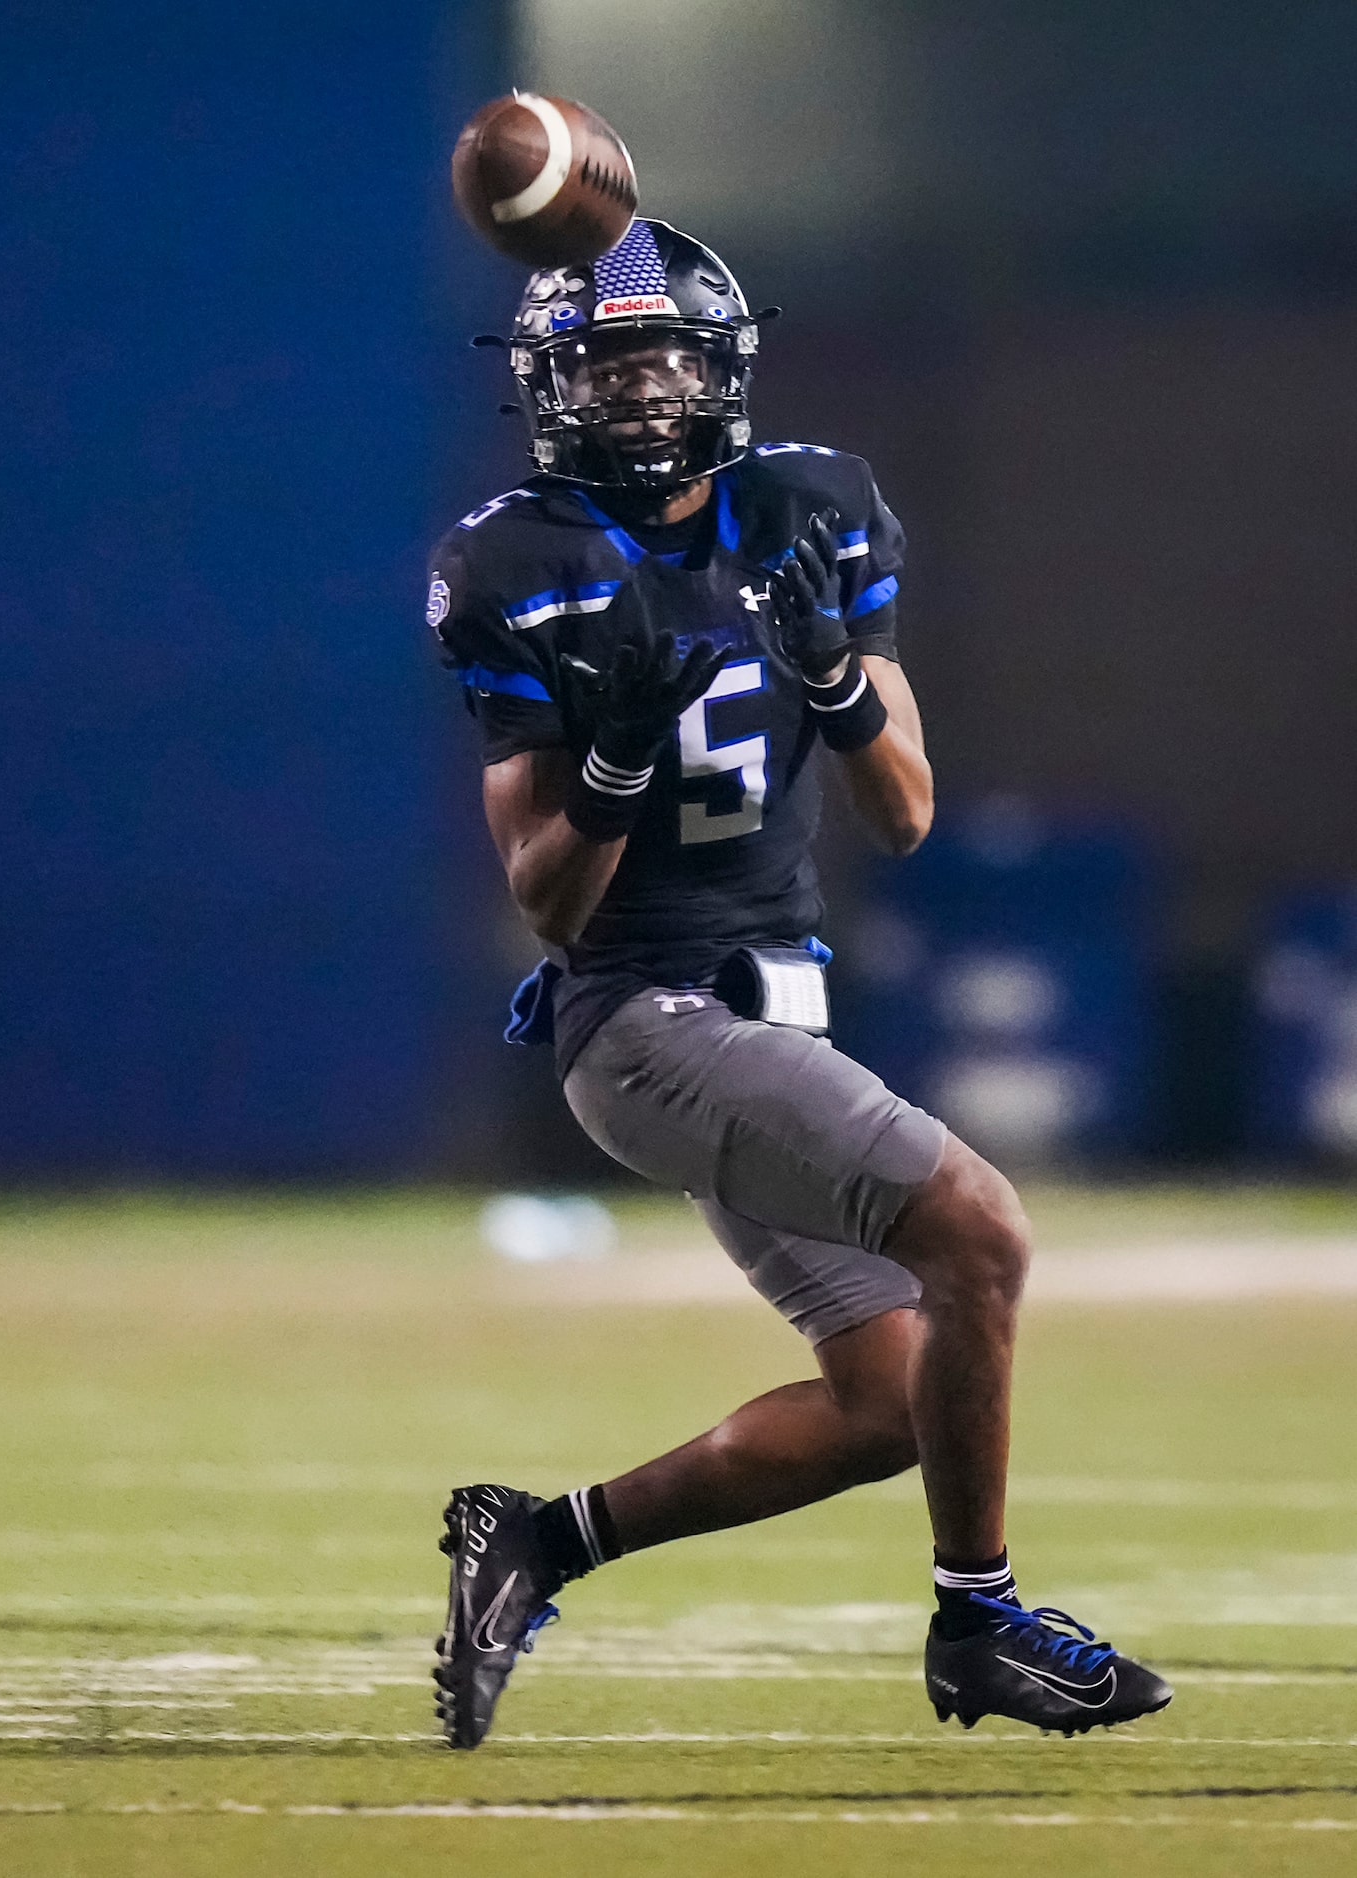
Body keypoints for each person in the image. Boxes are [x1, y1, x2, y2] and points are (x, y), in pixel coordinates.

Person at [421, 219, 1170, 1749]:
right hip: (637, 1016)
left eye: (658, 361)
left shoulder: (808, 507)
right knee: (978, 1228)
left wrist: (829, 672)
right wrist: (617, 756)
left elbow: (902, 808)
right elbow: (546, 894)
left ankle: (539, 1540)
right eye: (602, 366)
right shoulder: (513, 561)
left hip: (773, 1012)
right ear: (546, 389)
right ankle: (980, 1620)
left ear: (719, 368)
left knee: (886, 1405)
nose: (634, 395)